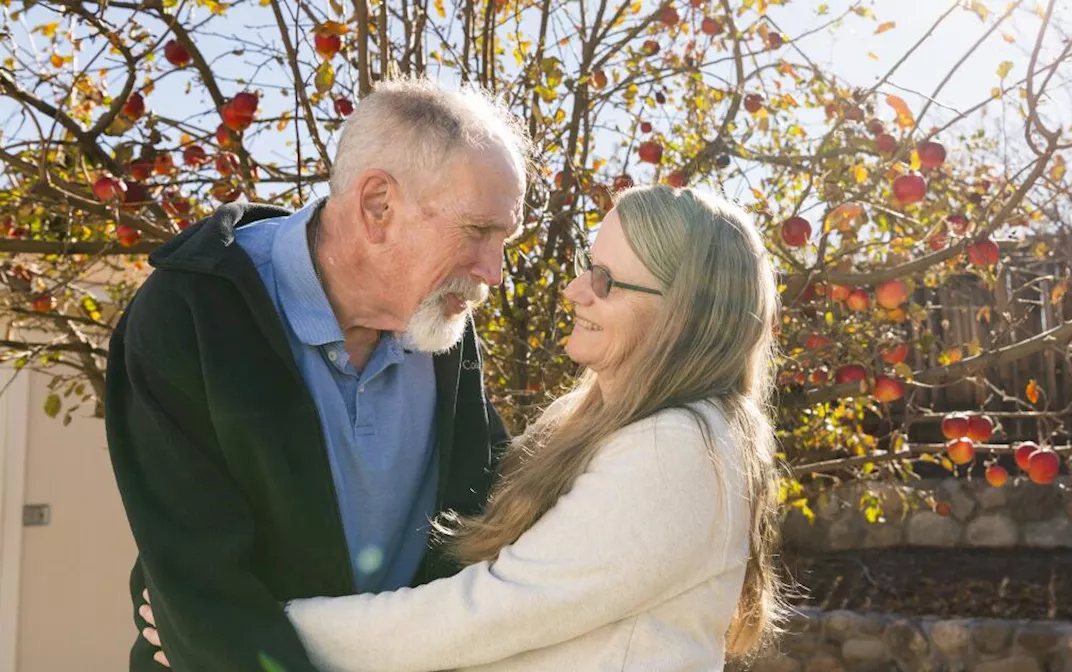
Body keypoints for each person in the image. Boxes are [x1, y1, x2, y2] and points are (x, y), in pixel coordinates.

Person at [141, 184, 792, 670]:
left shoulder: (676, 449)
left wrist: (229, 630)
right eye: (584, 264)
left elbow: (489, 610)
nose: (573, 290)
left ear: (681, 315)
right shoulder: (611, 424)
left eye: (605, 281)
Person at [105, 76, 530, 671]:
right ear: (378, 204)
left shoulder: (439, 322)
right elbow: (201, 589)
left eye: (504, 238)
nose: (495, 271)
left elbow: (492, 521)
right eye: (479, 232)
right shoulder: (189, 313)